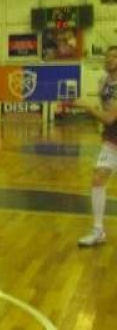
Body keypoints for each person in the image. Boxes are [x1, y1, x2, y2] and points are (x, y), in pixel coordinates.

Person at [73, 46, 117, 246]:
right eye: (107, 56)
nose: (109, 59)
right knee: (98, 178)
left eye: (115, 56)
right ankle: (98, 230)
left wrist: (87, 107)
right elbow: (106, 116)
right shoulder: (104, 82)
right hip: (112, 140)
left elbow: (108, 117)